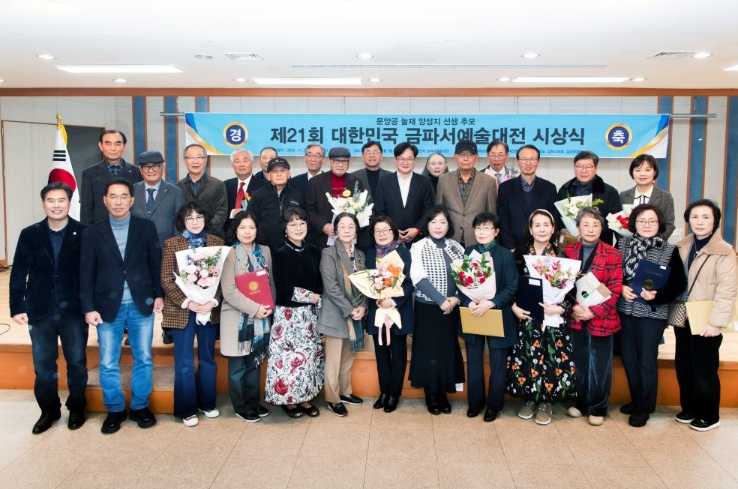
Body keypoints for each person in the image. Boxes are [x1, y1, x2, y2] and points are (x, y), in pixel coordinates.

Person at [80, 178, 164, 434]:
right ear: (105, 200)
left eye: (123, 196)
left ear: (132, 200)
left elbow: (155, 263)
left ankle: (140, 406)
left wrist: (159, 295)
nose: (118, 202)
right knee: (108, 361)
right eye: (113, 197)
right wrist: (88, 307)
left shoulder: (146, 227)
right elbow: (86, 273)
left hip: (141, 304)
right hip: (106, 307)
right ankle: (114, 409)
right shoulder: (92, 232)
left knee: (144, 358)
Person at [9, 182, 88, 434]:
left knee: (77, 363)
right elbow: (18, 272)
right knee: (43, 367)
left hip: (74, 310)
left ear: (69, 203)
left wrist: (90, 306)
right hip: (40, 309)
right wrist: (17, 306)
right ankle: (49, 410)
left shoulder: (83, 232)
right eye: (51, 200)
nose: (56, 205)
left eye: (61, 200)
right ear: (43, 203)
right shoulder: (30, 234)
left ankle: (76, 407)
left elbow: (89, 273)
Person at [617, 204, 686, 428]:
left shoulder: (669, 250)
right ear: (634, 223)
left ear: (659, 224)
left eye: (652, 221)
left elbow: (678, 284)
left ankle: (644, 407)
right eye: (642, 221)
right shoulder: (623, 244)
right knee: (629, 359)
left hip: (652, 314)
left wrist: (657, 296)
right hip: (625, 310)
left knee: (646, 361)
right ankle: (637, 399)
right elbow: (613, 273)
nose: (647, 225)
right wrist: (620, 287)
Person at [673, 200, 737, 432]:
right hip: (683, 315)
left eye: (706, 217)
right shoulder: (682, 246)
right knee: (684, 364)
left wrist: (716, 322)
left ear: (715, 221)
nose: (699, 222)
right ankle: (689, 408)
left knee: (705, 368)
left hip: (706, 317)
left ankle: (709, 415)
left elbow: (727, 290)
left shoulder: (724, 251)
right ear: (688, 220)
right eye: (695, 217)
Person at [508, 209, 576, 425]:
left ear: (553, 228)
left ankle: (546, 402)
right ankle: (529, 398)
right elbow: (509, 283)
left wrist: (561, 308)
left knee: (551, 357)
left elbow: (572, 290)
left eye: (546, 224)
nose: (542, 229)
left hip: (552, 316)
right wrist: (513, 306)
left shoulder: (563, 256)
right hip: (526, 315)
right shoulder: (518, 254)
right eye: (537, 225)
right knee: (528, 356)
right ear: (530, 229)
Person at [160, 201, 223, 427]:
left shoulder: (217, 243)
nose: (195, 222)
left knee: (208, 358)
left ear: (206, 219)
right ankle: (186, 409)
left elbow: (223, 278)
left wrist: (213, 301)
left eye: (199, 217)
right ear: (182, 221)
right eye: (189, 218)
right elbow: (167, 279)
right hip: (182, 310)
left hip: (208, 310)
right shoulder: (172, 244)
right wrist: (188, 302)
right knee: (184, 361)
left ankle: (208, 403)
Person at [563, 207, 622, 426]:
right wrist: (574, 309)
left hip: (602, 318)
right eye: (586, 224)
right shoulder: (568, 251)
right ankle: (580, 402)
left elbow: (615, 290)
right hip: (576, 316)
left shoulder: (613, 253)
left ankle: (598, 407)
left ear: (601, 228)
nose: (590, 229)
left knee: (600, 365)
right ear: (577, 227)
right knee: (579, 361)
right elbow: (562, 286)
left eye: (595, 225)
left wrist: (592, 312)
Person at [458, 212, 518, 422]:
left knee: (498, 363)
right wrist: (469, 302)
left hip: (497, 313)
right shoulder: (468, 252)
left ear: (496, 232)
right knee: (474, 360)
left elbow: (512, 287)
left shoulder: (505, 255)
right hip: (474, 312)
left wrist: (492, 302)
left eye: (486, 228)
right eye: (478, 228)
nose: (481, 232)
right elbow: (460, 283)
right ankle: (474, 403)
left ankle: (493, 405)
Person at [266, 207, 323, 418]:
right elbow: (284, 289)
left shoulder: (313, 250)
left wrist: (317, 298)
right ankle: (288, 401)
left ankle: (305, 398)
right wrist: (312, 297)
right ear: (285, 228)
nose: (298, 228)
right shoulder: (280, 253)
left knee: (307, 359)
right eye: (293, 224)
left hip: (309, 316)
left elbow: (319, 284)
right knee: (287, 360)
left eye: (302, 223)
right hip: (288, 316)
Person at [409, 206, 465, 415]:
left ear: (448, 224)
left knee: (446, 350)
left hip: (452, 307)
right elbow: (418, 278)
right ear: (427, 225)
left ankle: (443, 393)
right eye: (433, 222)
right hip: (428, 307)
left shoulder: (456, 247)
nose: (438, 226)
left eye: (442, 222)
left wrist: (456, 298)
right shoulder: (419, 246)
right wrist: (441, 301)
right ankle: (431, 394)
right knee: (429, 351)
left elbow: (467, 277)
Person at [220, 210, 276, 422]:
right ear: (235, 230)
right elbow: (229, 290)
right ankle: (240, 405)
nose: (247, 231)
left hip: (262, 317)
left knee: (254, 363)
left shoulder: (265, 251)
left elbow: (270, 283)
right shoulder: (229, 254)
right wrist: (255, 308)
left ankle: (253, 402)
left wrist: (270, 306)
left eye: (251, 227)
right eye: (242, 227)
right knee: (238, 366)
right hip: (236, 318)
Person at [318, 212, 368, 417]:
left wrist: (363, 306)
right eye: (342, 226)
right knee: (333, 361)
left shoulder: (361, 254)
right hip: (336, 313)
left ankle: (345, 392)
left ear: (356, 230)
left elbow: (366, 285)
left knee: (348, 358)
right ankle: (332, 398)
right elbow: (330, 287)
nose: (346, 230)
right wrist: (350, 309)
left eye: (351, 226)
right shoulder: (329, 253)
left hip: (355, 314)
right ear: (336, 230)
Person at [364, 216, 413, 413]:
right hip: (377, 311)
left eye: (386, 230)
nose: (382, 234)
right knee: (381, 354)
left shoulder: (403, 252)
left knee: (398, 355)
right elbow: (367, 283)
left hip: (397, 310)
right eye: (378, 231)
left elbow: (409, 283)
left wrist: (393, 301)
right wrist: (377, 298)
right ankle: (383, 392)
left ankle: (394, 394)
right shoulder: (369, 254)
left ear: (394, 232)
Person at [435, 140, 497, 247]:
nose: (465, 159)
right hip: (450, 238)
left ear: (476, 158)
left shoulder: (488, 181)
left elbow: (491, 214)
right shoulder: (444, 180)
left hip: (477, 240)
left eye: (470, 155)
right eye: (462, 155)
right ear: (455, 157)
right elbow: (438, 211)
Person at [373, 142, 435, 247]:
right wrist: (392, 230)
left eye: (409, 159)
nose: (405, 162)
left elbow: (428, 209)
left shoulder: (424, 182)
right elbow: (379, 209)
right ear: (395, 160)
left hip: (418, 240)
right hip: (389, 239)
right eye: (401, 159)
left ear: (414, 160)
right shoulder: (384, 181)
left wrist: (417, 229)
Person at [497, 144, 558, 249]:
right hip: (512, 247)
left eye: (532, 159)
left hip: (541, 246)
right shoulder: (505, 188)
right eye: (524, 159)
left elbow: (553, 219)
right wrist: (510, 247)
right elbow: (503, 220)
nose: (528, 163)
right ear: (518, 162)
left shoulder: (549, 188)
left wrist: (544, 245)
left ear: (538, 162)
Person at [304, 146, 366, 249]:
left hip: (350, 238)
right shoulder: (315, 182)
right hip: (324, 238)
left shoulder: (356, 181)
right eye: (337, 161)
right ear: (330, 162)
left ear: (349, 163)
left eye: (344, 161)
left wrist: (354, 228)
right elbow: (309, 209)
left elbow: (362, 207)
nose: (340, 165)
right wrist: (323, 226)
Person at [556, 150, 621, 245]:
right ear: (574, 168)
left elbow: (614, 222)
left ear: (596, 168)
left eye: (588, 167)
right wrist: (563, 229)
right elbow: (557, 217)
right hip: (571, 244)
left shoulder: (609, 192)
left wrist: (591, 231)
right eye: (579, 166)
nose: (583, 170)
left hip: (601, 246)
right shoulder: (565, 189)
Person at [80, 130, 142, 225]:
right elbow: (86, 209)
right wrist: (86, 231)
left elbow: (139, 206)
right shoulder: (89, 173)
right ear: (101, 146)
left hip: (131, 227)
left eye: (117, 144)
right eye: (108, 144)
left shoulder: (137, 172)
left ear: (124, 146)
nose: (113, 148)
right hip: (99, 229)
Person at [248, 157, 304, 254]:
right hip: (264, 248)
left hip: (291, 247)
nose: (279, 174)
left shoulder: (297, 196)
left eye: (282, 170)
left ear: (288, 174)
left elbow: (303, 222)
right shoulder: (258, 195)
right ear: (269, 176)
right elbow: (251, 220)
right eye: (274, 171)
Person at [131, 150, 185, 249]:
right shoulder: (132, 191)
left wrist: (175, 249)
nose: (151, 170)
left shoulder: (176, 193)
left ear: (162, 168)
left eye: (155, 166)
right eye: (146, 167)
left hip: (165, 249)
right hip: (136, 248)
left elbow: (179, 226)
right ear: (140, 170)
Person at [176, 143, 228, 239]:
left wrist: (204, 227)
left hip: (212, 237)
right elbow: (177, 214)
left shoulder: (217, 185)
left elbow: (222, 212)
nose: (195, 161)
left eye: (199, 157)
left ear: (205, 160)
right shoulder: (178, 187)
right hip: (185, 238)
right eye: (190, 157)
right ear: (184, 161)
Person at [619, 154, 676, 240]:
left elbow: (669, 225)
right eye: (638, 170)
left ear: (654, 172)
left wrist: (655, 242)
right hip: (628, 245)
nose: (642, 174)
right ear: (632, 173)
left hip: (656, 245)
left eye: (647, 170)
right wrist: (626, 242)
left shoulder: (665, 197)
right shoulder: (624, 196)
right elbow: (618, 223)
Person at [223, 149, 267, 235]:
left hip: (254, 234)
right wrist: (232, 213)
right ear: (233, 166)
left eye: (245, 161)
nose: (241, 164)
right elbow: (220, 210)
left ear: (252, 164)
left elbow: (265, 213)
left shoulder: (264, 186)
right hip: (229, 234)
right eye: (237, 161)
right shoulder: (225, 185)